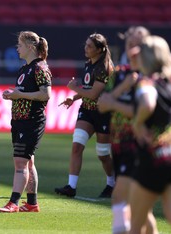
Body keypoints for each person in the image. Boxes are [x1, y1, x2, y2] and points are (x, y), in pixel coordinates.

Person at [98, 26, 158, 234]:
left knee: (121, 197)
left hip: (142, 144)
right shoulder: (120, 75)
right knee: (140, 208)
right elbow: (103, 103)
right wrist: (122, 90)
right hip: (121, 142)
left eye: (137, 45)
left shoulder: (153, 77)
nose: (132, 50)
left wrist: (115, 103)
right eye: (129, 44)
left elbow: (144, 112)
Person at [0, 31, 52, 213]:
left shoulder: (40, 68)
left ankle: (13, 202)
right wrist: (14, 95)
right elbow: (27, 93)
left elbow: (45, 94)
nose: (17, 48)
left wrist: (19, 95)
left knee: (20, 162)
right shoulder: (24, 69)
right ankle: (32, 203)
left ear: (29, 47)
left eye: (19, 45)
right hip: (20, 120)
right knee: (28, 163)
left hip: (31, 120)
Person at [55, 33, 115, 198]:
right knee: (77, 146)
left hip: (103, 113)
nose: (86, 48)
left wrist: (74, 89)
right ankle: (71, 187)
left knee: (103, 154)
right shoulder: (89, 64)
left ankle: (112, 183)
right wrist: (73, 98)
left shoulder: (105, 67)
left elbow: (94, 93)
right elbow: (87, 88)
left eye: (90, 46)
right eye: (86, 45)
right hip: (87, 111)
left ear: (100, 50)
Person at [127, 35, 171, 234]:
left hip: (152, 160)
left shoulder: (147, 83)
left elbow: (148, 102)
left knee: (136, 226)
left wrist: (137, 122)